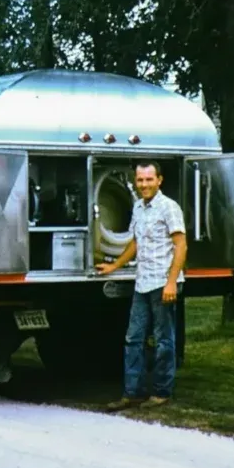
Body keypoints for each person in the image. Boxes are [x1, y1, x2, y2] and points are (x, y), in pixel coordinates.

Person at [96, 161, 187, 409]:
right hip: (142, 282)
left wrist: (171, 283)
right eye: (140, 180)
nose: (144, 185)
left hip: (162, 283)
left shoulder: (169, 208)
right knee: (133, 338)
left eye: (149, 180)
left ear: (159, 180)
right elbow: (135, 242)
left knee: (163, 340)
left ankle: (161, 392)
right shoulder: (138, 207)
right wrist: (115, 266)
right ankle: (132, 392)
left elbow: (181, 245)